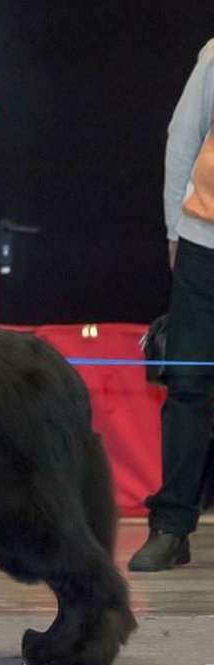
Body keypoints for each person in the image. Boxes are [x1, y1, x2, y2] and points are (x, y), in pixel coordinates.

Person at [128, 38, 214, 571]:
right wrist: (173, 230)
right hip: (205, 241)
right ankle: (170, 527)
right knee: (187, 385)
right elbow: (183, 138)